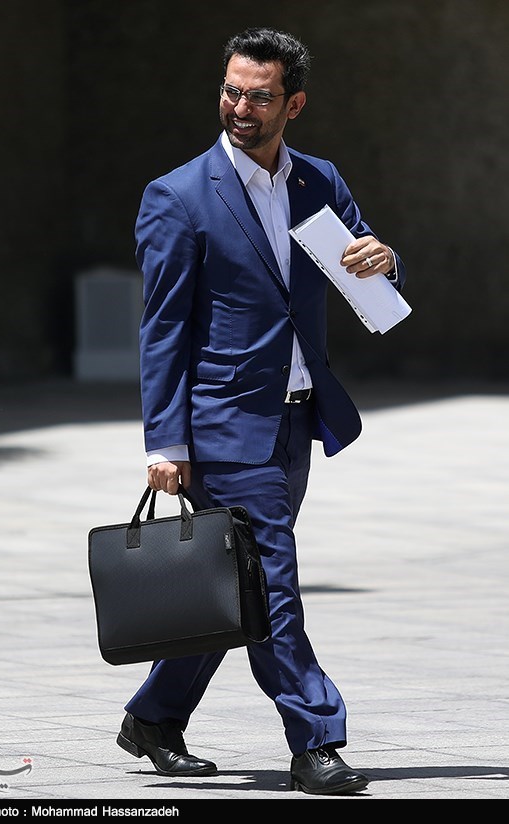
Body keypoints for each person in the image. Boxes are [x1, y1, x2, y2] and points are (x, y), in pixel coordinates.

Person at [117, 26, 406, 796]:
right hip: (223, 427)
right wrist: (165, 442)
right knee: (271, 582)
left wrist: (384, 259)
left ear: (293, 104)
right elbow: (162, 329)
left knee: (235, 584)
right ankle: (315, 739)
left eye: (259, 96)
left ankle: (154, 717)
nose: (240, 108)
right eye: (231, 91)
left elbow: (362, 266)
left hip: (296, 421)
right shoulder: (178, 195)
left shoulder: (317, 180)